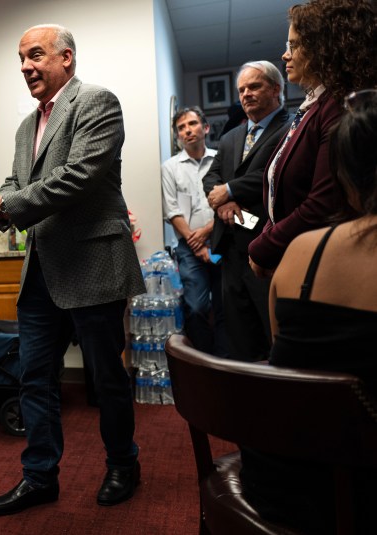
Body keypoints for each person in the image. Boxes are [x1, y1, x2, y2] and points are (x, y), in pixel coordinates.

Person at [0, 24, 145, 515]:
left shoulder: (97, 102)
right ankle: (39, 477)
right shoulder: (24, 126)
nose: (25, 67)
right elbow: (17, 181)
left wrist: (4, 207)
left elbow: (76, 177)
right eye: (20, 59)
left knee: (106, 378)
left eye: (35, 55)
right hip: (41, 269)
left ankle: (123, 463)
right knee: (34, 377)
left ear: (67, 59)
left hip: (93, 262)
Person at [240, 88, 377, 535]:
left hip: (276, 476)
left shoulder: (299, 253)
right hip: (346, 491)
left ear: (343, 178)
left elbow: (284, 359)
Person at [248, 0, 377, 277]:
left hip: (325, 264)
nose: (284, 55)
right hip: (297, 256)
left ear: (324, 47)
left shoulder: (337, 105)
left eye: (293, 45)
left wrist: (262, 248)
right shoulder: (314, 105)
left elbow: (323, 203)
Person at [203, 61, 290, 362]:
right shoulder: (230, 138)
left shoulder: (291, 130)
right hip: (230, 246)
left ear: (276, 89)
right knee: (238, 332)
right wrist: (224, 201)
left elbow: (272, 174)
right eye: (242, 89)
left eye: (254, 86)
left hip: (265, 246)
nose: (246, 94)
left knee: (272, 329)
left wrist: (229, 191)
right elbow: (210, 177)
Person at [161, 107, 227, 356]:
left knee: (224, 307)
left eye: (192, 124)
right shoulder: (170, 167)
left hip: (222, 242)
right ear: (178, 135)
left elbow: (230, 203)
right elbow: (172, 210)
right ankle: (204, 360)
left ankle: (224, 362)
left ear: (205, 128)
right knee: (197, 307)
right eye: (181, 127)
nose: (187, 130)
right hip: (189, 249)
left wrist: (209, 232)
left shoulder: (221, 158)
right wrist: (197, 244)